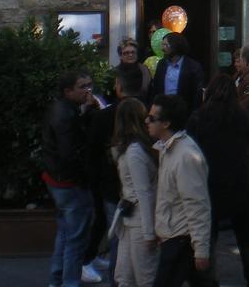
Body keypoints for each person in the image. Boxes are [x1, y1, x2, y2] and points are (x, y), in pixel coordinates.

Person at [188, 74, 249, 287]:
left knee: (208, 235)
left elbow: (191, 150)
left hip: (209, 183)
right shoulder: (241, 117)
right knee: (245, 235)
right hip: (237, 182)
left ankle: (210, 279)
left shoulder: (199, 117)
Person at [83, 65, 144, 284]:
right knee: (135, 236)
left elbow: (91, 153)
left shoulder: (104, 117)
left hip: (112, 185)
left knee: (119, 236)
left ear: (118, 86)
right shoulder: (149, 113)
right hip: (137, 185)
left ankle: (118, 280)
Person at [147, 94, 215, 287]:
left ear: (166, 123)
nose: (147, 121)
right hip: (173, 237)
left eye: (152, 118)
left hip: (181, 241)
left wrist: (201, 249)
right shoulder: (168, 150)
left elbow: (197, 203)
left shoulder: (186, 156)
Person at [42, 69, 98, 287]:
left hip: (57, 179)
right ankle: (70, 282)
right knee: (75, 239)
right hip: (68, 182)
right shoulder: (66, 115)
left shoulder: (62, 108)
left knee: (65, 234)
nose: (88, 90)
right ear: (67, 91)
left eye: (90, 85)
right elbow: (69, 153)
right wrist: (83, 177)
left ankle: (56, 280)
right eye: (83, 87)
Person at [111, 97, 159, 287]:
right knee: (125, 276)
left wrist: (149, 233)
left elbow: (144, 193)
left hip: (139, 221)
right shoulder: (135, 149)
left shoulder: (134, 152)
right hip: (131, 219)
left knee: (143, 277)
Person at [149, 32, 205, 113]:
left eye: (165, 45)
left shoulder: (193, 67)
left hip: (184, 113)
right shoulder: (162, 64)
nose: (162, 48)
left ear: (175, 46)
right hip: (163, 112)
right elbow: (155, 90)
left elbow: (197, 95)